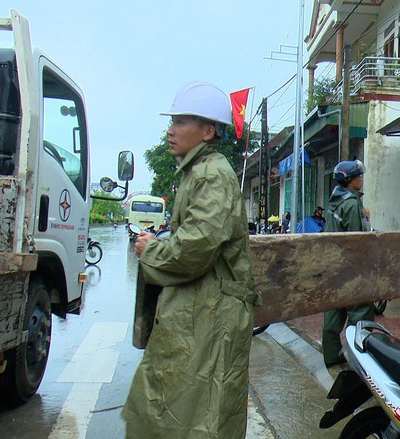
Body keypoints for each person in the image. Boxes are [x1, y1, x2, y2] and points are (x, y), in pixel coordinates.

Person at [122, 82, 260, 438]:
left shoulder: (211, 174)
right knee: (177, 410)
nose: (171, 130)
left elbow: (196, 248)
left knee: (201, 416)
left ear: (207, 131)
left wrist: (152, 251)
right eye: (173, 121)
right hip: (199, 313)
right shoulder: (197, 171)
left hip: (211, 318)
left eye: (180, 122)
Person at [322, 160, 375, 367]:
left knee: (333, 313)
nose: (361, 179)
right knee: (360, 313)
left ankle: (331, 356)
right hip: (351, 268)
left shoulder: (333, 201)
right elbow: (356, 240)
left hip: (334, 265)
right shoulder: (352, 204)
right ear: (350, 180)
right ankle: (358, 361)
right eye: (358, 176)